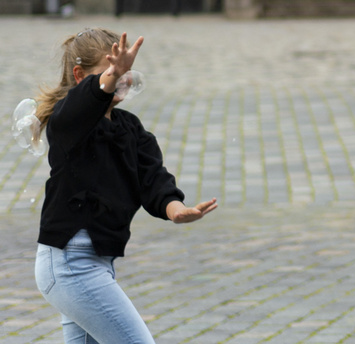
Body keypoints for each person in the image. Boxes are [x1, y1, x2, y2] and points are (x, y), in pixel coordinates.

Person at [33, 30, 218, 343]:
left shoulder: (130, 127)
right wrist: (109, 77)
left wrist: (176, 209)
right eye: (110, 70)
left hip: (99, 264)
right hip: (69, 264)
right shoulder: (68, 123)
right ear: (81, 76)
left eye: (125, 71)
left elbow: (152, 177)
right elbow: (80, 106)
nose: (121, 77)